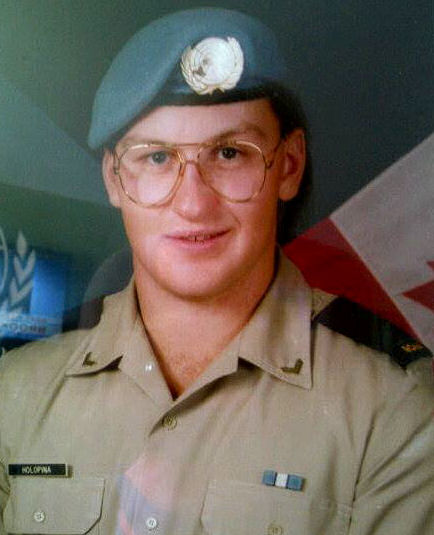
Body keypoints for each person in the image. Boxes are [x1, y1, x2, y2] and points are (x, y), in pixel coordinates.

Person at [0, 8, 432, 534]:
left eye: (229, 153)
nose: (193, 204)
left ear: (289, 166)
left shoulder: (395, 408)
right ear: (114, 179)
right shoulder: (15, 389)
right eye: (157, 158)